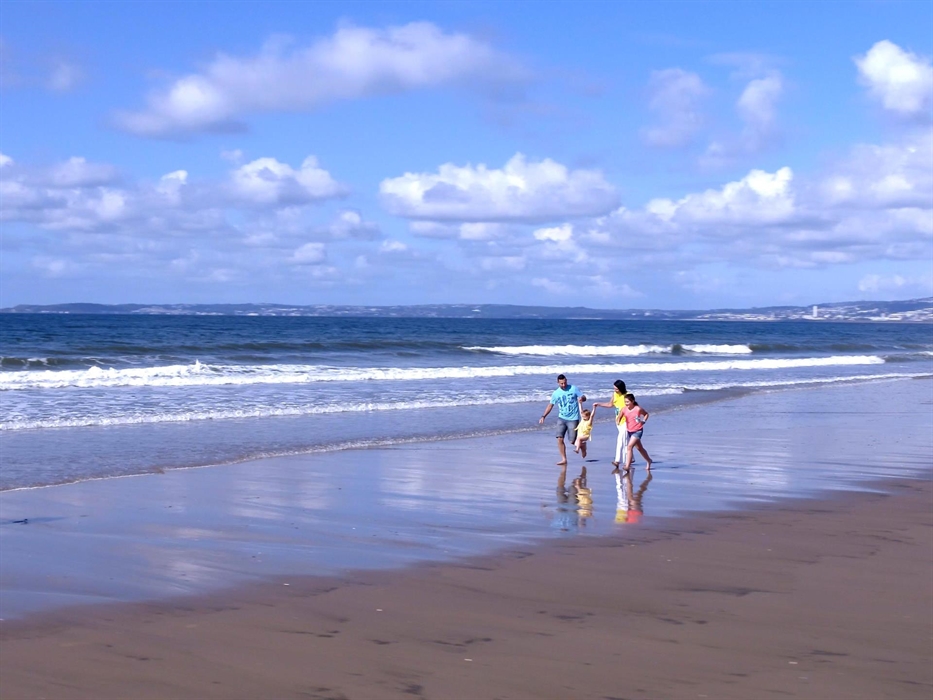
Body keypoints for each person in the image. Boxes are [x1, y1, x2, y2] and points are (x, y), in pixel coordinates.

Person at [539, 374, 586, 466]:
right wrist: (543, 416)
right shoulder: (556, 393)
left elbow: (583, 397)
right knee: (559, 438)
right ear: (558, 383)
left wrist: (582, 398)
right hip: (562, 418)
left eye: (565, 383)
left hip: (573, 418)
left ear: (566, 381)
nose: (563, 385)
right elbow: (550, 405)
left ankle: (582, 445)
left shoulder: (573, 388)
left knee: (572, 441)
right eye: (561, 383)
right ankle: (564, 459)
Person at [593, 379, 629, 467]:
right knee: (625, 441)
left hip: (626, 421)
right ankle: (629, 459)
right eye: (614, 389)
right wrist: (599, 404)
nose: (615, 390)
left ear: (621, 388)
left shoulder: (627, 395)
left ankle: (618, 461)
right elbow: (610, 404)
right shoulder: (614, 394)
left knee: (621, 440)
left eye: (616, 389)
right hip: (618, 421)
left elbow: (632, 407)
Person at [620, 393, 652, 471]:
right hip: (630, 430)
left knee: (629, 447)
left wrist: (643, 421)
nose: (626, 403)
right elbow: (620, 415)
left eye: (627, 402)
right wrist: (618, 420)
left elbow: (646, 414)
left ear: (633, 401)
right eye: (625, 402)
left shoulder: (638, 409)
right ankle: (649, 460)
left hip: (638, 430)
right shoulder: (624, 409)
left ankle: (627, 466)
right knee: (640, 448)